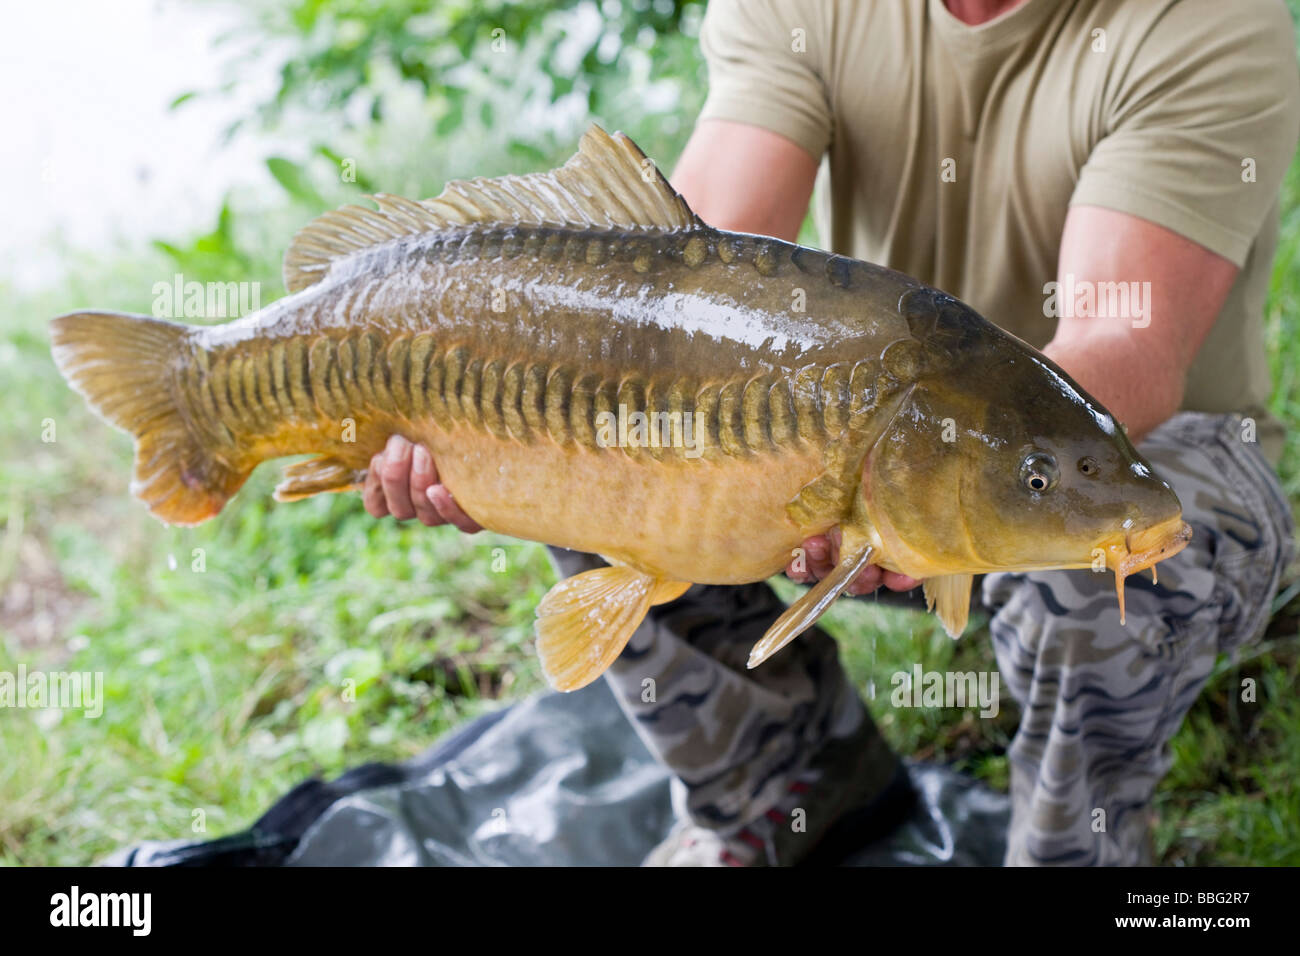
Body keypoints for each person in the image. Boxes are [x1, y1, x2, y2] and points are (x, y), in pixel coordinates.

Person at [363, 0, 1300, 865]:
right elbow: (682, 285)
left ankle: (1074, 851)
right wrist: (468, 415)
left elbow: (1125, 343)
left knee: (1109, 579)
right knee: (611, 441)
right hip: (869, 444)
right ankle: (794, 788)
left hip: (1153, 450)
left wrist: (936, 481)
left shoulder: (1207, 19)